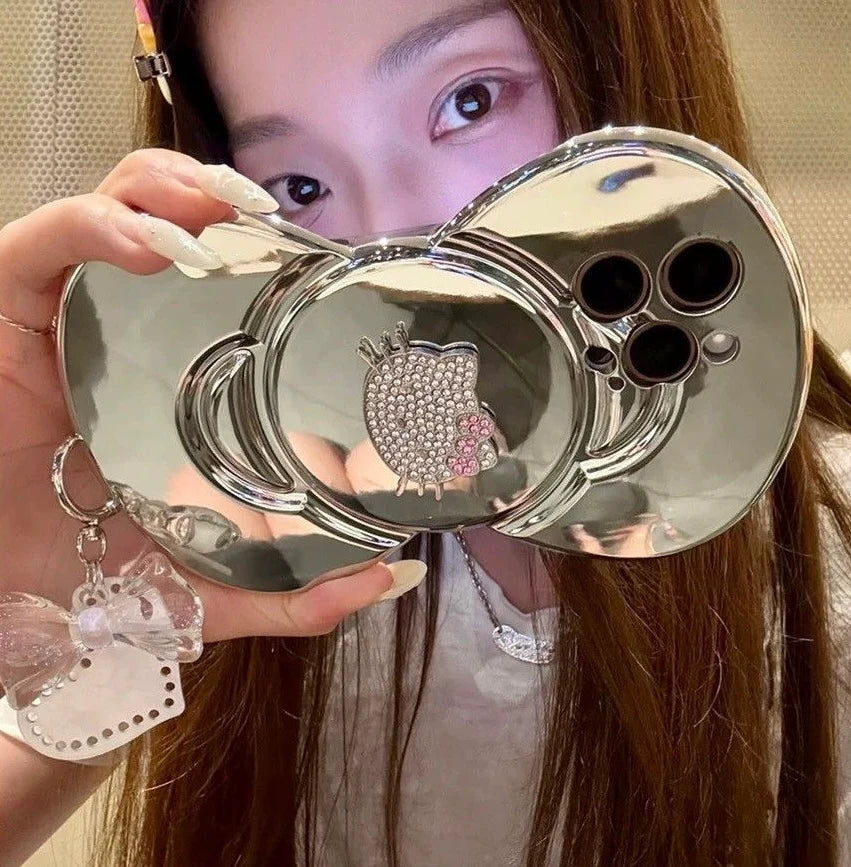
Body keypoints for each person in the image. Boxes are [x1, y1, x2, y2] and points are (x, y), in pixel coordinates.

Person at [1, 0, 850, 865]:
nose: (393, 245)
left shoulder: (825, 566)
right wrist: (84, 610)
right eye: (300, 188)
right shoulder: (252, 535)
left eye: (470, 102)